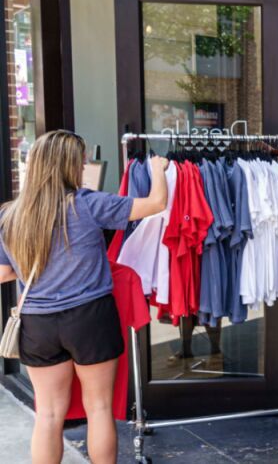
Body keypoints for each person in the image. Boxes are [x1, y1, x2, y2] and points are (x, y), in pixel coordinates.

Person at [0, 130, 168, 464]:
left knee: (48, 415)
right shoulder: (89, 204)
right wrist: (159, 170)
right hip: (90, 318)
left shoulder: (10, 215)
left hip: (38, 323)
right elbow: (156, 204)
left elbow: (3, 273)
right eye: (81, 161)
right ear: (69, 165)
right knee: (99, 408)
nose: (84, 167)